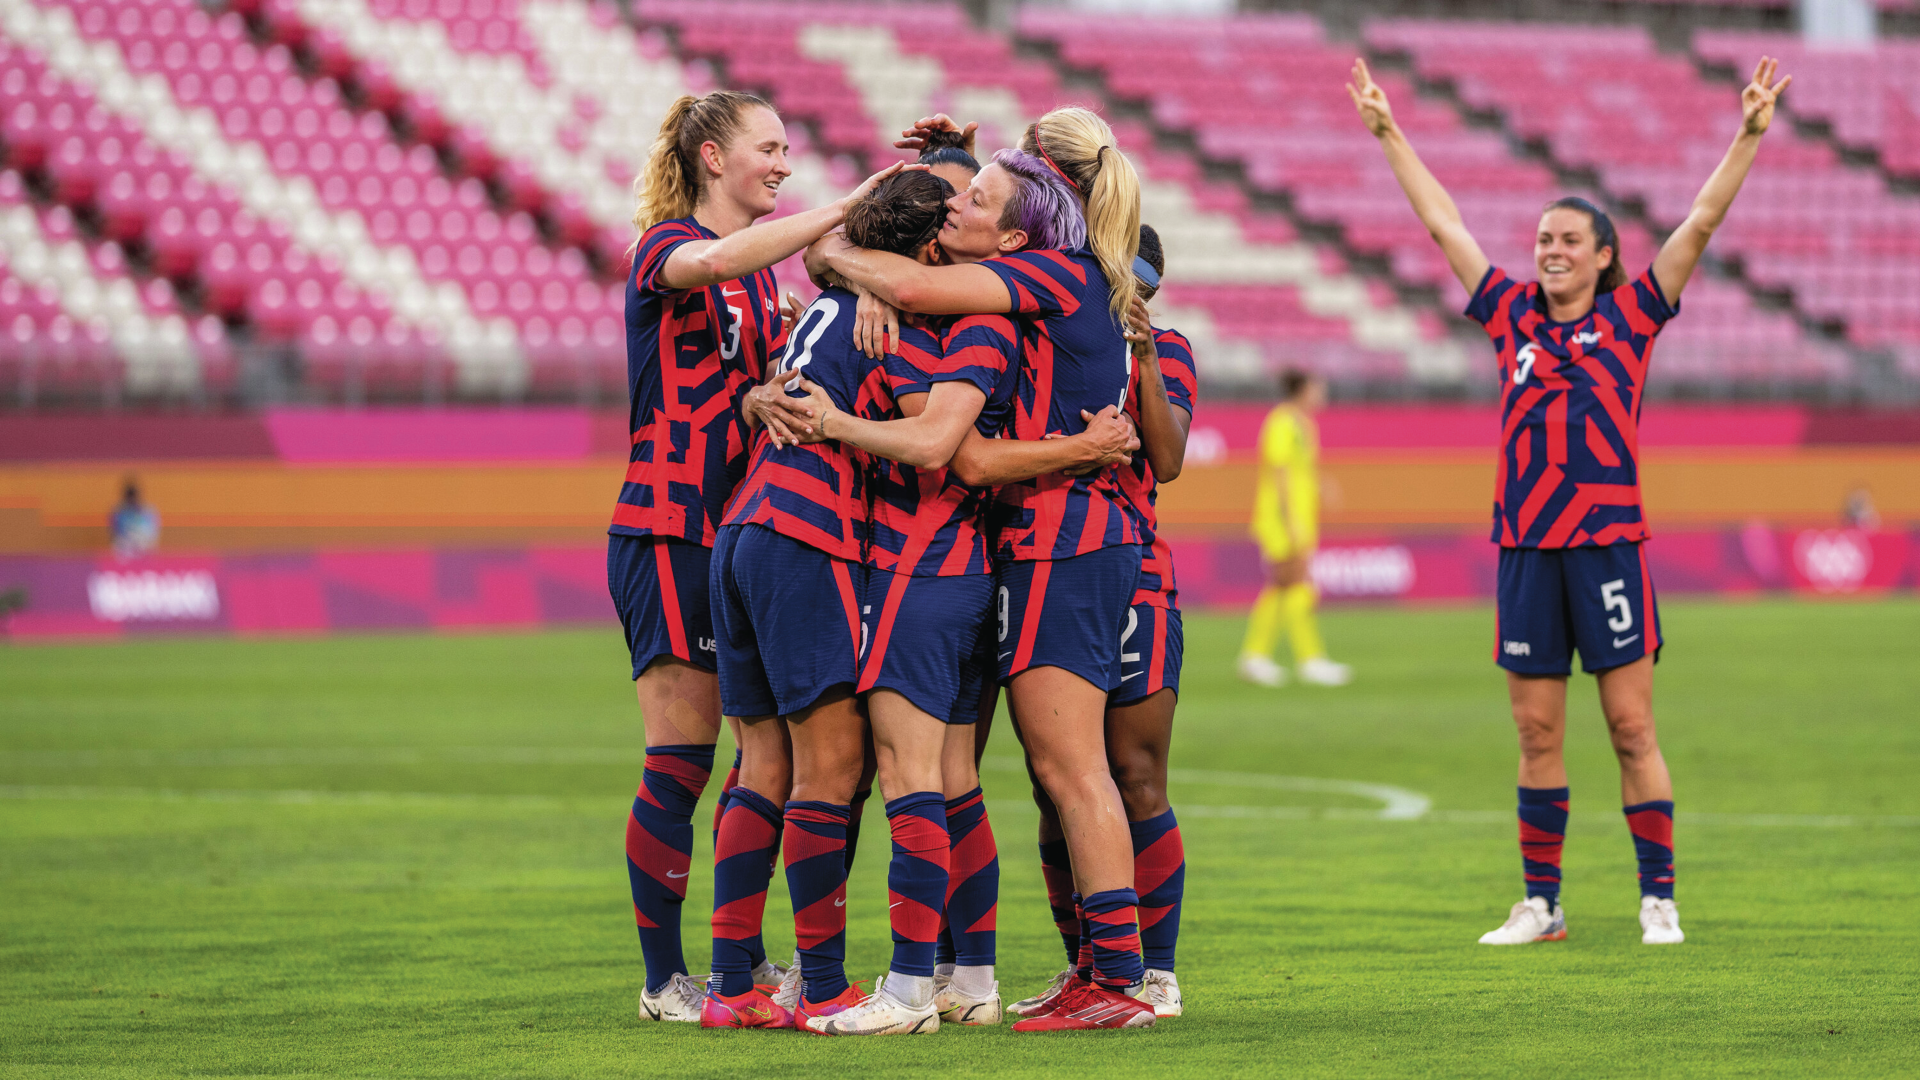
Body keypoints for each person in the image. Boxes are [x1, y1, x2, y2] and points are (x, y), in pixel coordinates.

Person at [1350, 55, 1793, 946]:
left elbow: (1700, 223)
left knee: (1631, 726)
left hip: (1606, 547)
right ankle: (1542, 905)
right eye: (1543, 239)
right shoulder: (1508, 311)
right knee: (1535, 731)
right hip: (1525, 548)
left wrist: (1747, 136)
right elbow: (1443, 226)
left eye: (1567, 242)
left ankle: (1657, 897)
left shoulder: (1634, 316)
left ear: (1602, 258)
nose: (1549, 251)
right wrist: (1391, 132)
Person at [818, 107, 1160, 1032]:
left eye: (980, 196)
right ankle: (1106, 972)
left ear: (1019, 231)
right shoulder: (1063, 273)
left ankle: (1121, 984)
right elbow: (920, 263)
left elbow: (911, 282)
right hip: (1062, 536)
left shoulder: (1047, 274)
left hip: (1065, 537)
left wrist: (836, 249)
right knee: (1061, 768)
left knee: (1070, 765)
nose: (961, 202)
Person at [612, 88, 907, 1025]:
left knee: (763, 758)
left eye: (788, 149)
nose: (782, 163)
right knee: (683, 762)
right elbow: (716, 259)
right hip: (668, 525)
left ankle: (738, 964)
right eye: (769, 148)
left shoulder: (762, 285)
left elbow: (745, 383)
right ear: (711, 157)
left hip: (743, 535)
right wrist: (850, 206)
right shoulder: (668, 248)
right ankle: (667, 979)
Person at [1015, 224, 1196, 1021]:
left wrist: (1148, 359)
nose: (1138, 300)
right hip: (1053, 561)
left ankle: (1152, 971)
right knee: (1053, 785)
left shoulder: (1170, 350)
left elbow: (1167, 458)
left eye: (1147, 288)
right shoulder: (1051, 335)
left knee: (1135, 774)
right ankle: (1086, 966)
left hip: (1136, 576)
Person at [1237, 369, 1351, 688]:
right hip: (1282, 521)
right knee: (1297, 585)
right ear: (1302, 391)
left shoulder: (1303, 423)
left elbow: (1302, 470)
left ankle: (1255, 657)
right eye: (1318, 388)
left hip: (1298, 520)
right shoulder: (1282, 422)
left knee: (1283, 587)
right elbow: (1281, 472)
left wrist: (1322, 486)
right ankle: (1309, 659)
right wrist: (1289, 522)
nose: (1322, 395)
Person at [109, 478, 159, 560]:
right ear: (126, 498)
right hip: (125, 544)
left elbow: (153, 533)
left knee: (148, 547)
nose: (132, 501)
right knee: (119, 547)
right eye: (130, 498)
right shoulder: (118, 512)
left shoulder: (148, 511)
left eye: (134, 498)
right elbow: (114, 533)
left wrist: (142, 541)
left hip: (143, 543)